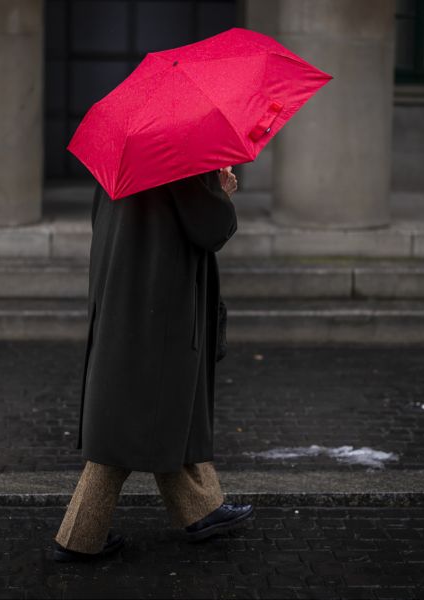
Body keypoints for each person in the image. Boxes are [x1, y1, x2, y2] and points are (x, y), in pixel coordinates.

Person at [52, 166, 252, 562]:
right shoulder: (184, 160)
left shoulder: (122, 160)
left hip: (122, 287)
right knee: (133, 418)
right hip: (162, 298)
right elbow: (211, 228)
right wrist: (221, 192)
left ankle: (202, 509)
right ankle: (79, 536)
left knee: (164, 405)